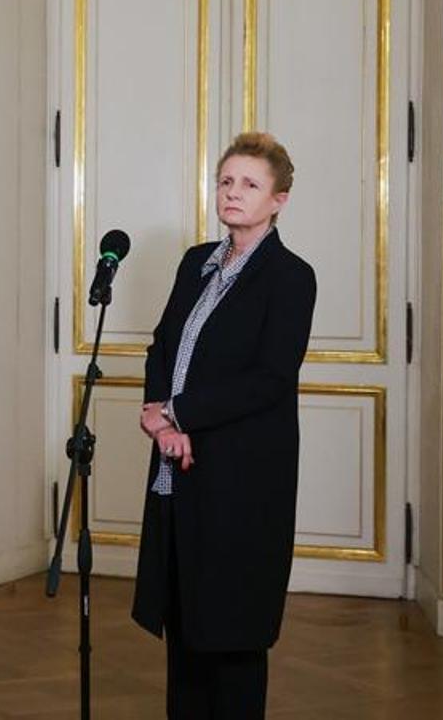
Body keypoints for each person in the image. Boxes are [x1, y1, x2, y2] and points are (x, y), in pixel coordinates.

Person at [131, 132, 317, 719]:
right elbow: (163, 346)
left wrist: (180, 414)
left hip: (241, 479)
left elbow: (269, 378)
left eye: (250, 184)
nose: (233, 193)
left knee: (233, 629)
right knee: (186, 620)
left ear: (279, 200)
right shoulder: (195, 262)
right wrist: (159, 417)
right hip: (177, 466)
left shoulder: (291, 277)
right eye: (226, 181)